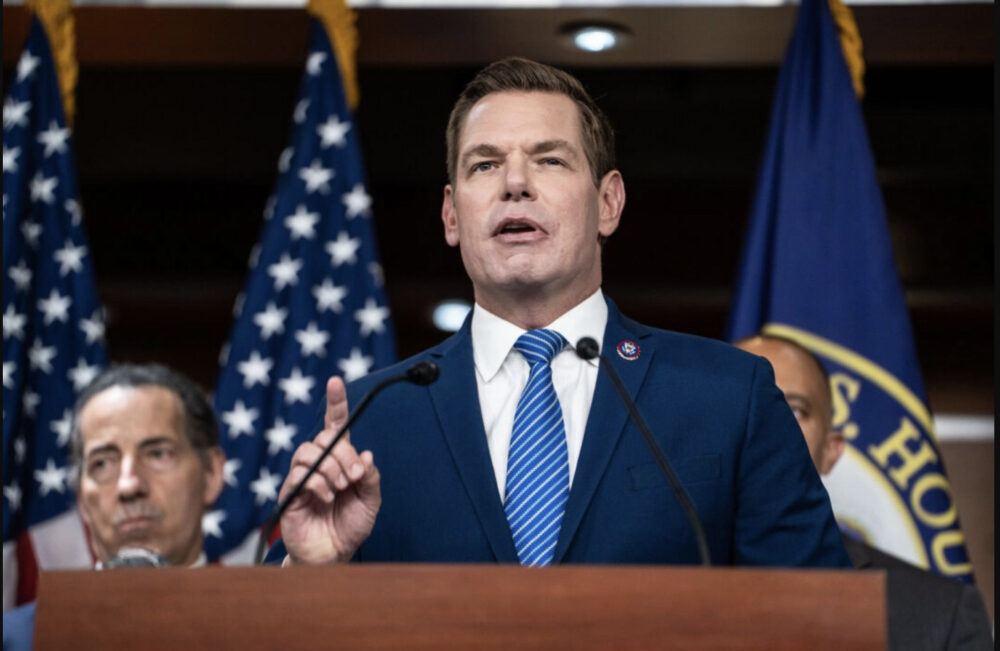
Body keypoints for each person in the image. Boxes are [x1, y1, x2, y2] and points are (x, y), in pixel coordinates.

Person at [273, 57, 850, 569]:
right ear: (451, 216)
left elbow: (823, 622)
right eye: (484, 165)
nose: (515, 184)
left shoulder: (728, 397)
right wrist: (313, 571)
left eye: (549, 160)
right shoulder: (370, 419)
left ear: (608, 203)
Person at [735, 334, 993, 651]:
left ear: (832, 449)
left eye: (796, 410)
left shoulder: (941, 612)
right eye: (740, 405)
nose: (769, 425)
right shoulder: (658, 585)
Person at [2, 363, 226, 651]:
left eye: (158, 454)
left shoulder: (268, 632)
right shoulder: (13, 641)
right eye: (102, 463)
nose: (128, 485)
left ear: (211, 474)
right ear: (81, 497)